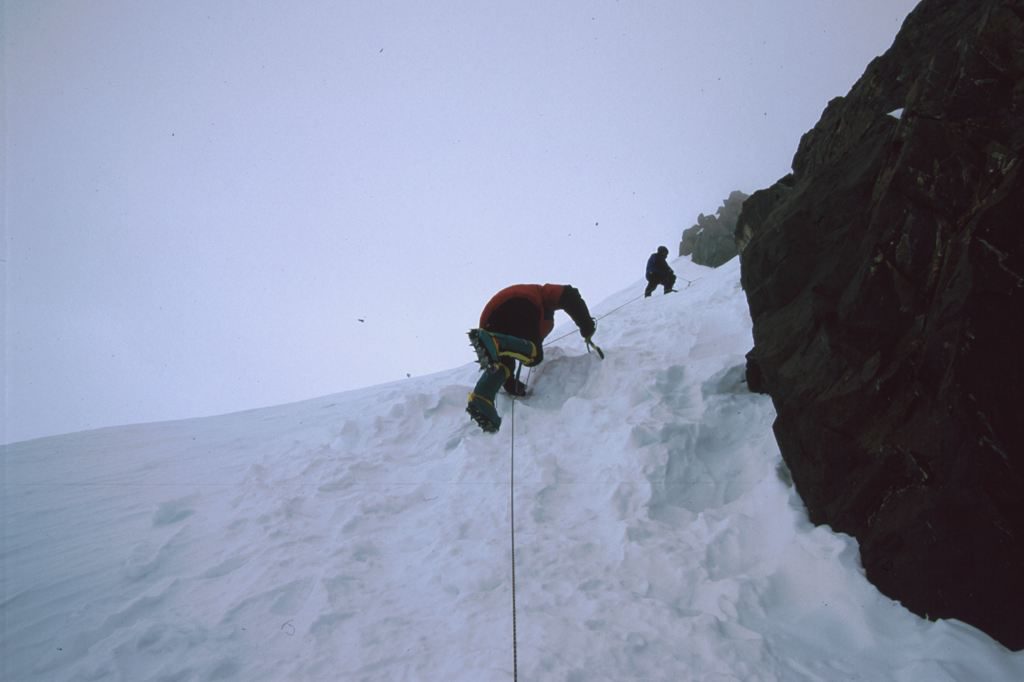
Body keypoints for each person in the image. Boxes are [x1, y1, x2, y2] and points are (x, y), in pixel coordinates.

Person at [466, 284, 596, 433]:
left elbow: (513, 353)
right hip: (521, 302)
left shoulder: (536, 319)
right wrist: (586, 325)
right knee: (535, 355)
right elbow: (569, 294)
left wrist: (512, 385)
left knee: (503, 364)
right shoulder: (542, 294)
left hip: (490, 322)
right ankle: (496, 342)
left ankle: (482, 398)